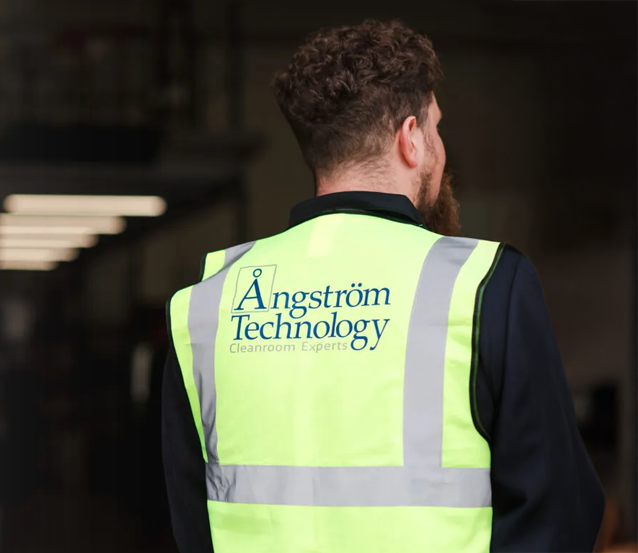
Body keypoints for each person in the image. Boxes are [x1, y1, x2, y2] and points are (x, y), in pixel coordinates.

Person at [161, 19, 604, 553]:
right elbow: (559, 515)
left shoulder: (207, 304)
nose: (439, 147)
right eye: (436, 129)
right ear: (411, 139)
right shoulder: (486, 284)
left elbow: (192, 521)